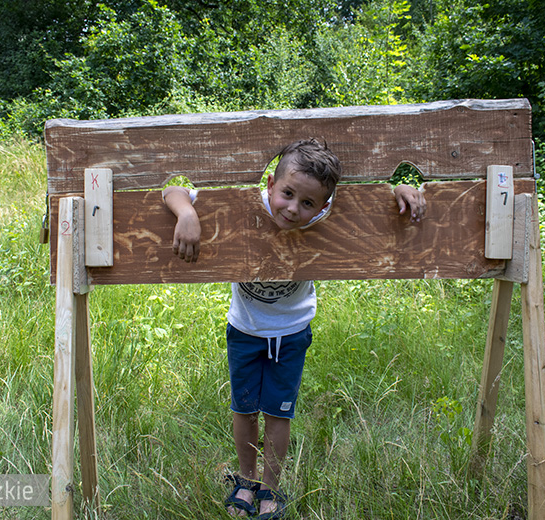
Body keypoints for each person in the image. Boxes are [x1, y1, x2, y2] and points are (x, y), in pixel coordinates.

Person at [162, 138, 426, 519]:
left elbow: (371, 204)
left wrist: (399, 189)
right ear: (269, 184)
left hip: (291, 333)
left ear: (324, 206)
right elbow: (172, 188)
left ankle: (271, 487)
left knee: (279, 413)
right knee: (244, 408)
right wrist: (186, 212)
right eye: (287, 194)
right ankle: (246, 480)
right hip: (245, 330)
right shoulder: (247, 203)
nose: (293, 209)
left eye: (308, 203)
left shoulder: (323, 218)